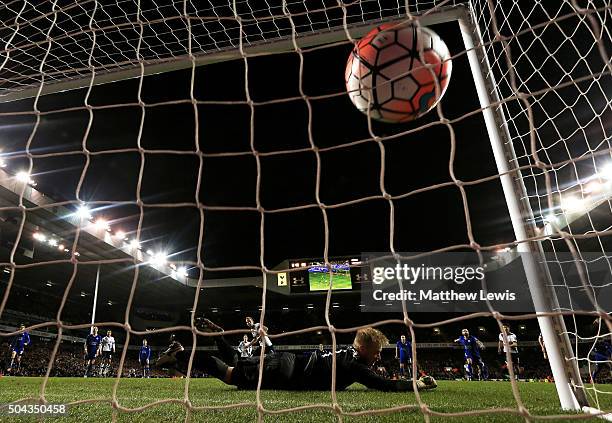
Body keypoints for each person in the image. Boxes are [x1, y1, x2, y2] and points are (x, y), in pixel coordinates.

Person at [199, 322, 437, 392]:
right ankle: (181, 354)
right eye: (376, 353)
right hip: (286, 372)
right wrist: (416, 383)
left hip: (286, 362)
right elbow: (383, 384)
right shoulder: (354, 364)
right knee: (232, 375)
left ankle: (218, 339)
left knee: (237, 366)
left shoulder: (345, 353)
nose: (377, 358)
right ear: (364, 349)